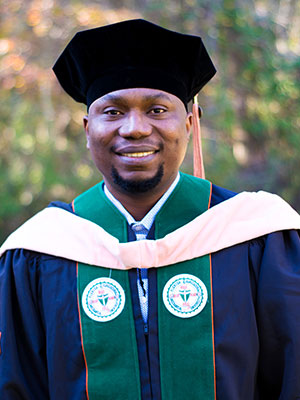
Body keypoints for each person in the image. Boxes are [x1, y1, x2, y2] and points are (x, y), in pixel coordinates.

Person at [0, 19, 300, 400]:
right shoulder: (40, 251)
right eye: (113, 112)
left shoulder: (259, 236)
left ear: (190, 124)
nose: (136, 128)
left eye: (158, 110)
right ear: (86, 128)